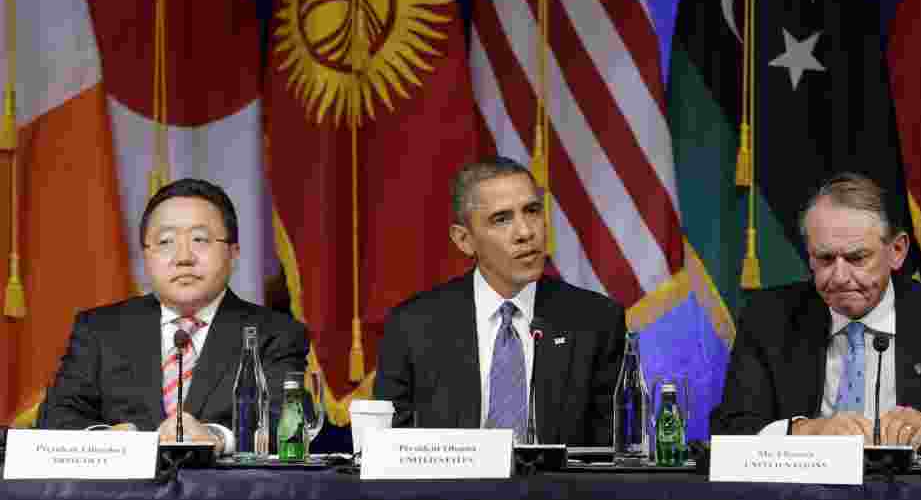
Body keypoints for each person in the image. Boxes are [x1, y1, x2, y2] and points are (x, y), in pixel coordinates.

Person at [711, 172, 921, 450]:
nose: (840, 276)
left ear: (897, 251)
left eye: (857, 258)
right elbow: (729, 432)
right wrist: (805, 431)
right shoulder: (769, 319)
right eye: (825, 259)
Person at [37, 178, 309, 455]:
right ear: (146, 256)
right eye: (165, 241)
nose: (183, 257)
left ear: (233, 253)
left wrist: (216, 438)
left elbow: (286, 422)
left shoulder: (276, 334)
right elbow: (56, 418)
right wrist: (109, 442)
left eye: (199, 240)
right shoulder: (99, 330)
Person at [374, 156, 625, 445]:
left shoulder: (596, 321)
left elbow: (610, 454)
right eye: (502, 219)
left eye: (532, 211)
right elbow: (389, 448)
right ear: (464, 240)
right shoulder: (413, 326)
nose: (525, 232)